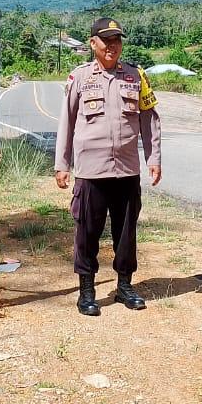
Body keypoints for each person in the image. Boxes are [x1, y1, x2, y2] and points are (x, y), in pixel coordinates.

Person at [55, 17, 162, 316]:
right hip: (91, 171)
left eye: (117, 40)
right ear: (93, 44)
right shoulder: (79, 78)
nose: (112, 46)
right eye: (106, 40)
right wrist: (62, 163)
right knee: (87, 232)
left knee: (126, 233)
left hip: (127, 170)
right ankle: (87, 290)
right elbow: (67, 121)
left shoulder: (136, 76)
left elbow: (149, 120)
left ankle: (124, 286)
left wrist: (153, 158)